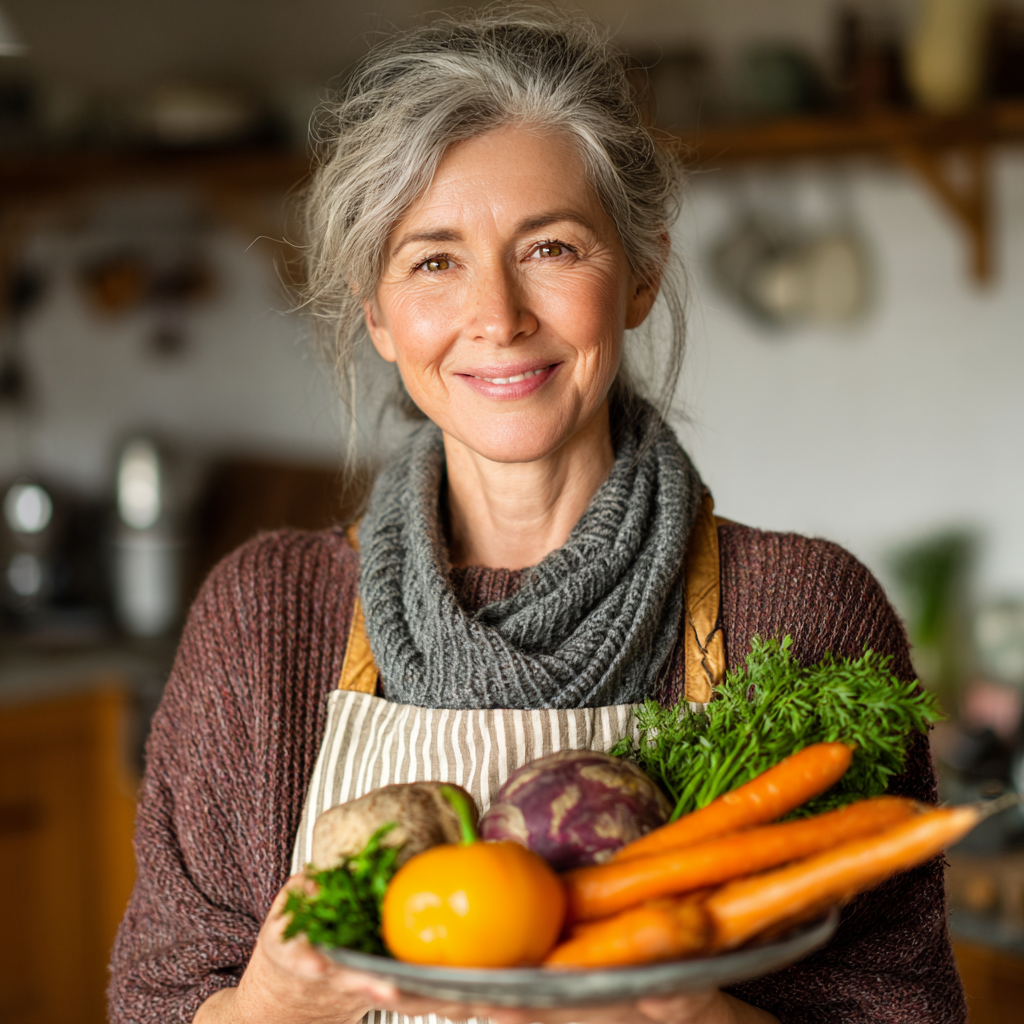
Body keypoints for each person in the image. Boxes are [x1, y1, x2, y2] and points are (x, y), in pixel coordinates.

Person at [108, 9, 966, 1024]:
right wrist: (273, 1002)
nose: (499, 317)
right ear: (377, 312)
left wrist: (698, 1018)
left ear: (641, 273)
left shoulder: (803, 611)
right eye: (434, 261)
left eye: (551, 248)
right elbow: (157, 1004)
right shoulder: (265, 618)